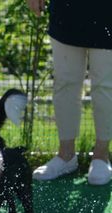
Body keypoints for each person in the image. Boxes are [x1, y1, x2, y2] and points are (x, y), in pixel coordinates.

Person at [27, 0, 112, 185]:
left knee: (105, 86)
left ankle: (101, 156)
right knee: (65, 83)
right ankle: (66, 156)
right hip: (66, 9)